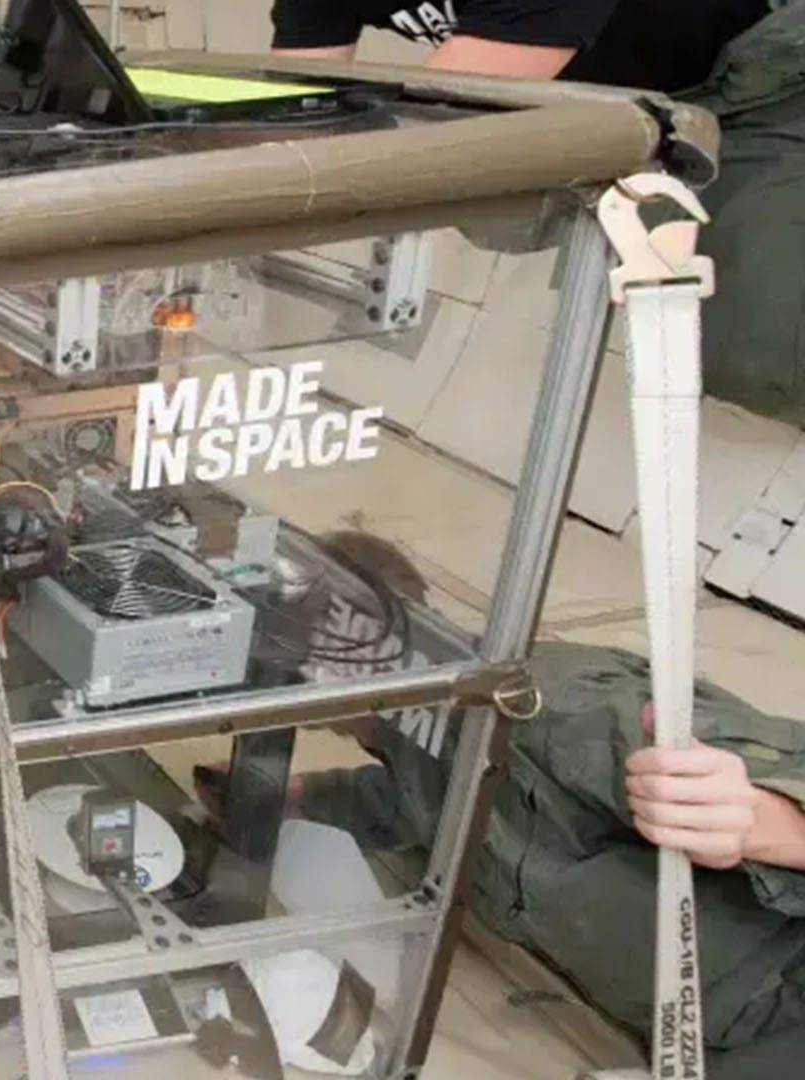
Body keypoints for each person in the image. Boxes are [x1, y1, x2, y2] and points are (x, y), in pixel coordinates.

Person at [202, 532, 805, 1078]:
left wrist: (772, 822)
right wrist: (301, 798)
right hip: (693, 1031)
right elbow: (416, 802)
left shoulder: (555, 712)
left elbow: (751, 775)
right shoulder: (426, 735)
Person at [267, 0, 805, 426]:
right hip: (642, 98)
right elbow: (291, 116)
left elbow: (433, 132)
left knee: (754, 359)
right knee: (498, 217)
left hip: (764, 74)